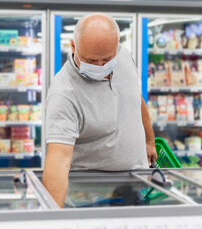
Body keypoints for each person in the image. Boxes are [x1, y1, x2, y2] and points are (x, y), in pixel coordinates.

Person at [42, 13, 157, 208]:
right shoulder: (64, 94)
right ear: (73, 47)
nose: (101, 66)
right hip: (91, 197)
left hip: (136, 184)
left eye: (107, 59)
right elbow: (58, 161)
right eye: (92, 60)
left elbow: (134, 98)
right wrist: (52, 218)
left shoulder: (124, 56)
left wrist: (149, 140)